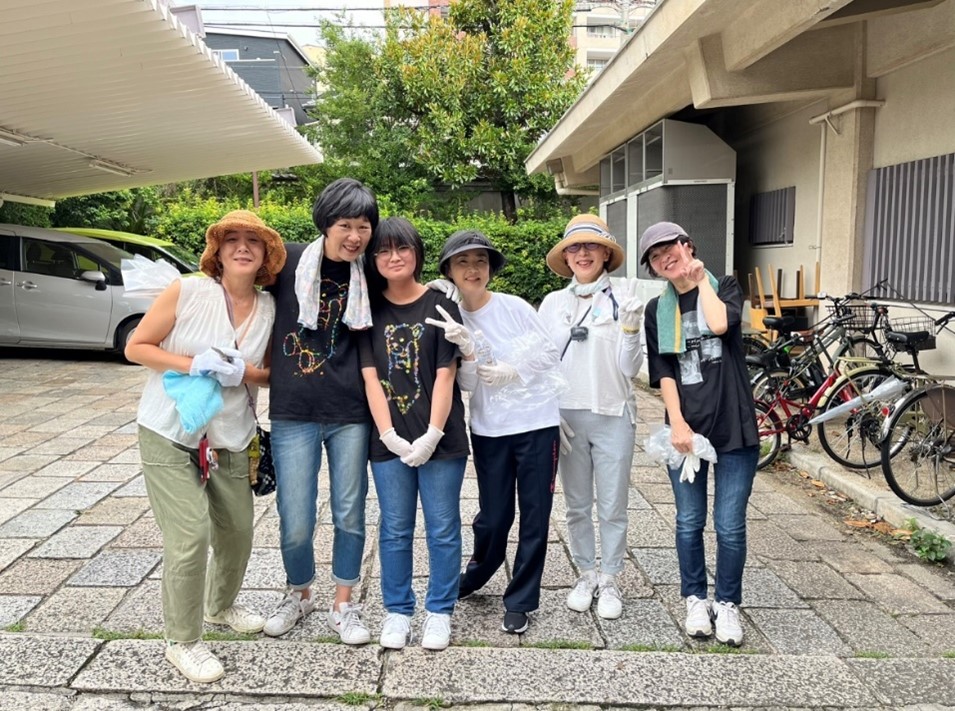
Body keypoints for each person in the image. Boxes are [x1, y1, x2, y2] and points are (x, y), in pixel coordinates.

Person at [125, 210, 285, 683]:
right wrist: (193, 364)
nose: (242, 247)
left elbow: (270, 374)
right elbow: (137, 346)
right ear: (217, 251)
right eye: (231, 239)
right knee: (190, 536)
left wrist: (242, 373)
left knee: (237, 532)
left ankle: (220, 605)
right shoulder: (189, 290)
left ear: (266, 255)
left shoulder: (270, 308)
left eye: (253, 241)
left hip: (232, 435)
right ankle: (183, 641)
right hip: (170, 432)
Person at [262, 178, 378, 644]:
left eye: (363, 226)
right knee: (295, 517)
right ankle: (300, 593)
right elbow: (235, 280)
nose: (355, 236)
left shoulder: (370, 273)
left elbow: (408, 285)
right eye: (345, 225)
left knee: (350, 513)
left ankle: (343, 603)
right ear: (325, 223)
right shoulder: (287, 261)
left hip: (351, 412)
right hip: (293, 411)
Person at [430, 229, 561, 635]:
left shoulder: (513, 306)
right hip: (489, 428)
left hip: (537, 423)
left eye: (480, 261)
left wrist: (515, 370)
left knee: (535, 514)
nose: (473, 269)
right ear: (448, 271)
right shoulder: (449, 316)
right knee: (494, 515)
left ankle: (520, 599)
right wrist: (469, 350)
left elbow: (550, 351)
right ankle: (479, 571)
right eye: (462, 262)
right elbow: (467, 384)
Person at [640, 221, 759, 647]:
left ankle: (726, 603)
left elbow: (721, 325)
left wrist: (698, 279)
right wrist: (677, 423)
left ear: (687, 245)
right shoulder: (657, 310)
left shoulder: (723, 286)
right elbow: (664, 371)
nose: (664, 258)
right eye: (655, 257)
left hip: (734, 426)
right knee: (689, 521)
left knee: (729, 525)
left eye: (669, 248)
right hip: (687, 429)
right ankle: (695, 598)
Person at [359, 217, 469, 651]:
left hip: (441, 440)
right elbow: (370, 377)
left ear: (417, 253)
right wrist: (388, 434)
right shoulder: (366, 310)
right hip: (388, 442)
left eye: (402, 248)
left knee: (442, 527)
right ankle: (398, 610)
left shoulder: (441, 305)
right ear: (373, 259)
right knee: (395, 528)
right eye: (384, 250)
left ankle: (439, 611)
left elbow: (446, 374)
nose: (394, 257)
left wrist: (432, 434)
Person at [538, 214, 644, 620]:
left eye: (591, 246)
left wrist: (631, 329)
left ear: (606, 253)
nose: (583, 254)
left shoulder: (624, 296)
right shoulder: (553, 303)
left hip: (613, 413)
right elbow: (542, 362)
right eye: (574, 248)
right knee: (577, 504)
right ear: (566, 256)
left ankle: (611, 577)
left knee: (613, 505)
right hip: (568, 416)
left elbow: (630, 369)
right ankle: (585, 573)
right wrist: (549, 410)